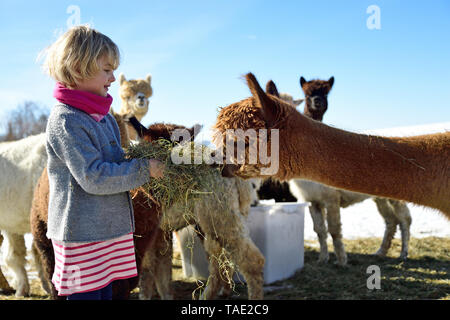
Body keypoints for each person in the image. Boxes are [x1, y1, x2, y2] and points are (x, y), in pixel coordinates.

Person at [41, 25, 165, 300]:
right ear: (77, 68)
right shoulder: (67, 120)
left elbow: (115, 159)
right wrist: (144, 170)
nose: (112, 77)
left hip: (107, 230)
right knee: (86, 295)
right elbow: (93, 176)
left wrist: (140, 157)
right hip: (82, 235)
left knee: (106, 293)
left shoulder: (105, 116)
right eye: (107, 70)